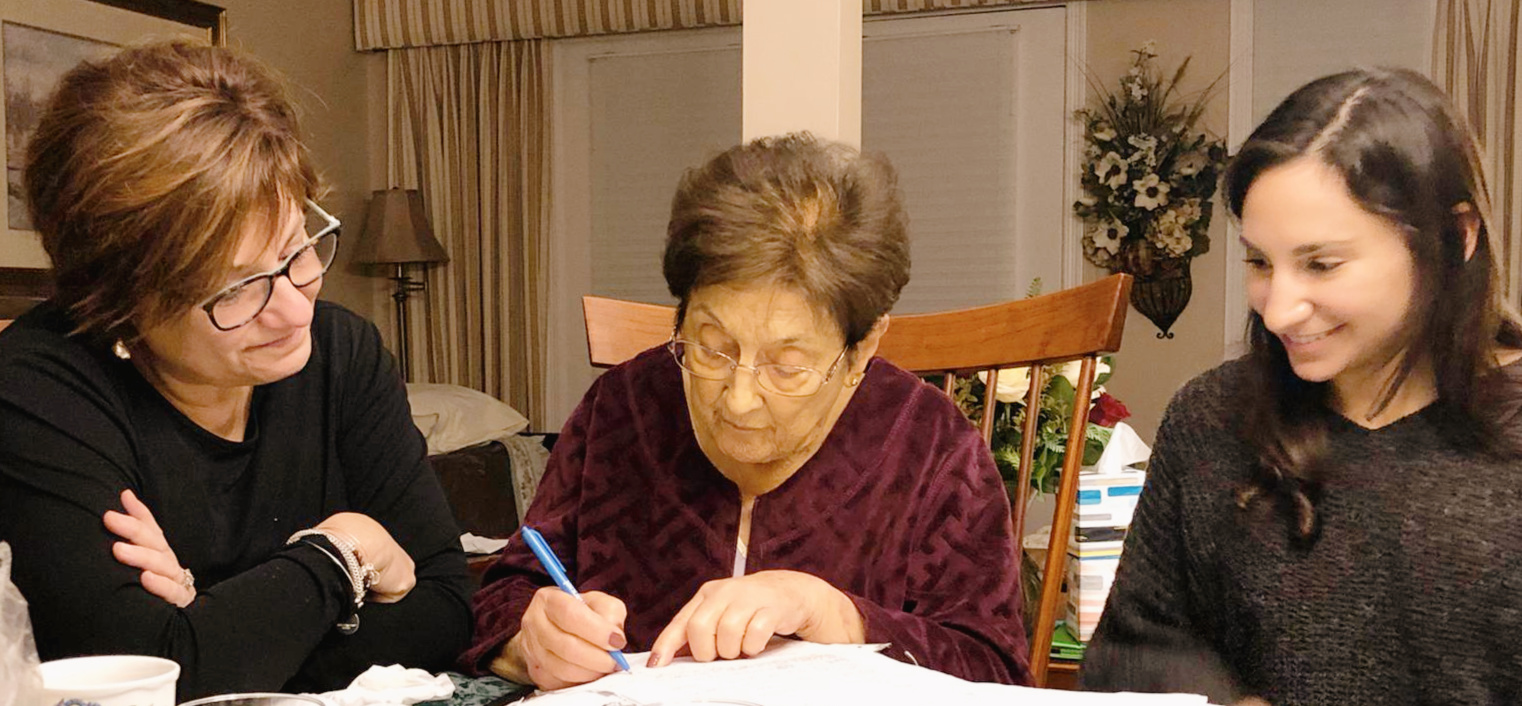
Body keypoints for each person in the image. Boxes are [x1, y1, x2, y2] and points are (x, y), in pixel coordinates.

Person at [462, 133, 1029, 688]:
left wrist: (834, 614)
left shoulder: (930, 445)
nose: (737, 398)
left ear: (863, 346)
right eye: (711, 346)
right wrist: (529, 641)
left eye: (787, 366)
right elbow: (505, 596)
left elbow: (995, 670)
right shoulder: (625, 407)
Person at [0, 42, 471, 699]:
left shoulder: (343, 354)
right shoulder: (38, 391)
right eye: (235, 288)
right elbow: (152, 681)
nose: (291, 310)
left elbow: (447, 609)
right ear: (121, 301)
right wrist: (341, 556)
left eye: (296, 251)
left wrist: (218, 619)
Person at [1079, 67, 1522, 704]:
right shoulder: (1211, 419)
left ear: (1456, 239)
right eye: (1259, 261)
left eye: (1322, 264)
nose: (1278, 309)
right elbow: (1129, 656)